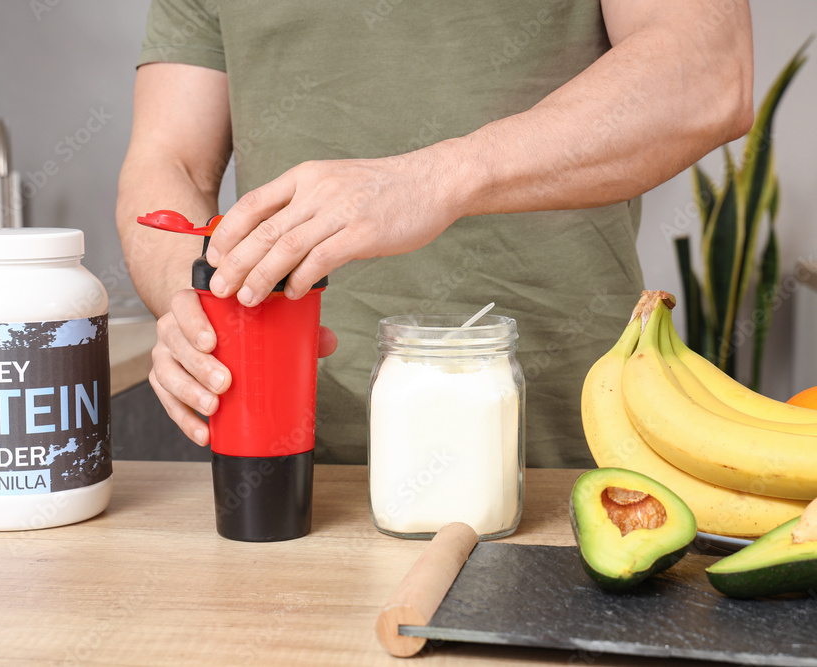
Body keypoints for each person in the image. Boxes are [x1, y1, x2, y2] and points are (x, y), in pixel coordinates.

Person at [116, 0, 754, 467]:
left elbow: (708, 72)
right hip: (292, 472)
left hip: (565, 456)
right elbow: (167, 159)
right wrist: (197, 306)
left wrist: (436, 178)